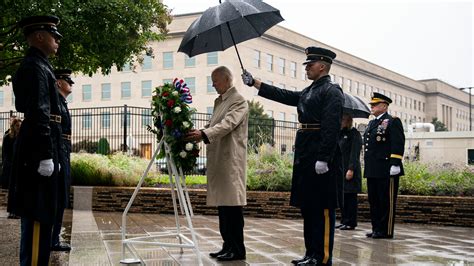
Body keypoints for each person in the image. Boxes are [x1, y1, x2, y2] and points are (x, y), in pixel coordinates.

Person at [242, 46, 344, 265]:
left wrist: (324, 157)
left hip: (319, 152)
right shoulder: (310, 90)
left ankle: (323, 257)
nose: (306, 68)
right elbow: (285, 95)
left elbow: (331, 127)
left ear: (323, 66)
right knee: (309, 207)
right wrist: (255, 83)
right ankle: (311, 254)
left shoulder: (331, 91)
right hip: (307, 151)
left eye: (310, 64)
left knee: (323, 208)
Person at [11, 15, 63, 265]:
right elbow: (39, 112)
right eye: (54, 36)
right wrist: (45, 154)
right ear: (39, 36)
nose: (58, 41)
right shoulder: (34, 66)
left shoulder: (42, 65)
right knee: (37, 215)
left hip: (42, 142)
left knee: (44, 216)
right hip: (36, 148)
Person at [185, 66, 249, 262]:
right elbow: (215, 124)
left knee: (232, 208)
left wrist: (204, 134)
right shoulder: (219, 101)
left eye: (215, 80)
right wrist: (201, 131)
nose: (213, 84)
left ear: (227, 80)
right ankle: (227, 245)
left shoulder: (238, 101)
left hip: (231, 161)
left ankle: (237, 249)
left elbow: (228, 124)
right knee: (223, 207)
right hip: (220, 159)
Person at [363, 92, 405, 239]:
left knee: (386, 201)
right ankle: (376, 229)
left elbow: (398, 143)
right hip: (373, 169)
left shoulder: (393, 121)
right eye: (372, 105)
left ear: (384, 106)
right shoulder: (372, 123)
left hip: (387, 168)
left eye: (375, 104)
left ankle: (386, 230)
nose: (372, 107)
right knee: (374, 201)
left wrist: (395, 163)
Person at [51, 69, 73, 252]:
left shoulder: (62, 103)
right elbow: (55, 133)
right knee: (58, 198)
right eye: (68, 81)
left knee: (62, 197)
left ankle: (54, 239)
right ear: (59, 83)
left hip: (64, 152)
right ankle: (52, 240)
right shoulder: (56, 103)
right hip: (59, 152)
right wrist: (55, 157)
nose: (71, 84)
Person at [336, 113, 362, 230]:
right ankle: (344, 220)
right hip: (340, 170)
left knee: (350, 197)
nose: (341, 121)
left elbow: (354, 153)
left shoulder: (354, 134)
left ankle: (351, 222)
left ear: (348, 120)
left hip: (350, 170)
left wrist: (351, 169)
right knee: (343, 196)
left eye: (343, 119)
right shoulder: (340, 134)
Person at [2, 117, 22, 219]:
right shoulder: (7, 137)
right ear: (13, 126)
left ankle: (17, 211)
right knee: (12, 190)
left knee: (18, 189)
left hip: (19, 167)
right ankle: (11, 211)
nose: (19, 128)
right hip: (10, 166)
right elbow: (5, 154)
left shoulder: (22, 138)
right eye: (17, 126)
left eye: (20, 126)